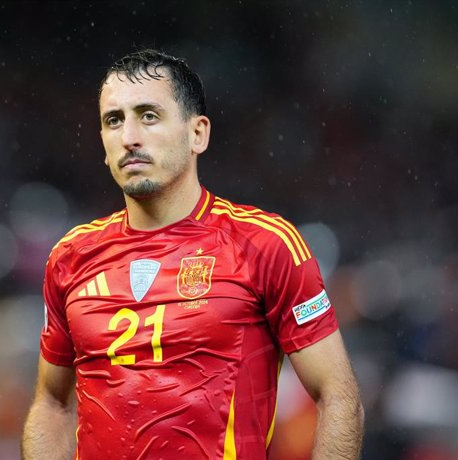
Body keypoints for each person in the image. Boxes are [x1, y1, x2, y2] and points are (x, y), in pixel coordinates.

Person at [22, 49, 364, 460]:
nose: (130, 136)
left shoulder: (265, 245)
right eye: (114, 120)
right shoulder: (71, 256)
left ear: (197, 133)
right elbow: (51, 404)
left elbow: (338, 397)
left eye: (149, 116)